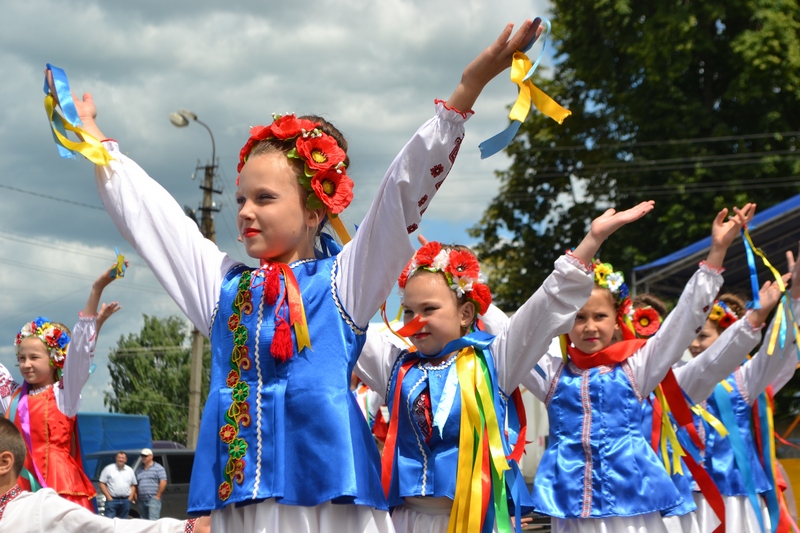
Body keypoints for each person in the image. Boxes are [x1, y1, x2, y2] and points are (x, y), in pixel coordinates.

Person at [60, 17, 544, 533]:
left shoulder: (344, 284)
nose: (245, 211)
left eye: (265, 198)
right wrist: (98, 146)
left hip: (328, 503)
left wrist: (465, 93)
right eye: (242, 198)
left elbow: (398, 196)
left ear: (314, 208)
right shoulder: (222, 290)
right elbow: (155, 222)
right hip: (241, 502)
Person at [355, 201, 654, 532]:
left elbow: (539, 314)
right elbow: (345, 321)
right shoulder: (396, 369)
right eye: (408, 311)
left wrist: (591, 241)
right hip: (406, 522)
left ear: (466, 314)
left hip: (474, 522)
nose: (415, 321)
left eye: (429, 308)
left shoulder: (493, 362)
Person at [517, 204, 750, 533]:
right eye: (578, 318)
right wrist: (462, 295)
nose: (589, 327)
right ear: (565, 323)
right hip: (570, 506)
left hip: (634, 507)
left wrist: (716, 253)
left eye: (599, 316)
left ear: (616, 321)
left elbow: (681, 325)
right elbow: (514, 337)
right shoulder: (553, 376)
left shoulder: (636, 367)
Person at [2, 263, 123, 512]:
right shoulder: (11, 397)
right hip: (17, 484)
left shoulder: (63, 395)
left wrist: (96, 288)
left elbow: (79, 351)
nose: (26, 364)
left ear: (56, 359)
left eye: (34, 358)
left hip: (58, 486)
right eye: (21, 358)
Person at [0, 417, 207, 533]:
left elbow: (111, 529)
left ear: (4, 462)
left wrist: (187, 528)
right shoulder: (108, 470)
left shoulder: (37, 509)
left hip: (136, 502)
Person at [99, 451, 137, 518]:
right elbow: (102, 483)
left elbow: (133, 485)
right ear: (116, 458)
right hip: (112, 500)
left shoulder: (130, 470)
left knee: (123, 523)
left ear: (126, 459)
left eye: (123, 458)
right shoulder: (108, 469)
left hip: (125, 501)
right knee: (109, 522)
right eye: (119, 457)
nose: (121, 459)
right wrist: (109, 497)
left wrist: (130, 498)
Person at [135, 448, 167, 520]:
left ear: (151, 457)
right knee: (143, 522)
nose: (143, 458)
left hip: (153, 499)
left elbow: (163, 482)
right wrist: (136, 496)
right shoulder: (139, 470)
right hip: (141, 500)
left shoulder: (158, 468)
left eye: (145, 456)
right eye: (142, 456)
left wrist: (158, 496)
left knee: (153, 521)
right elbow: (136, 484)